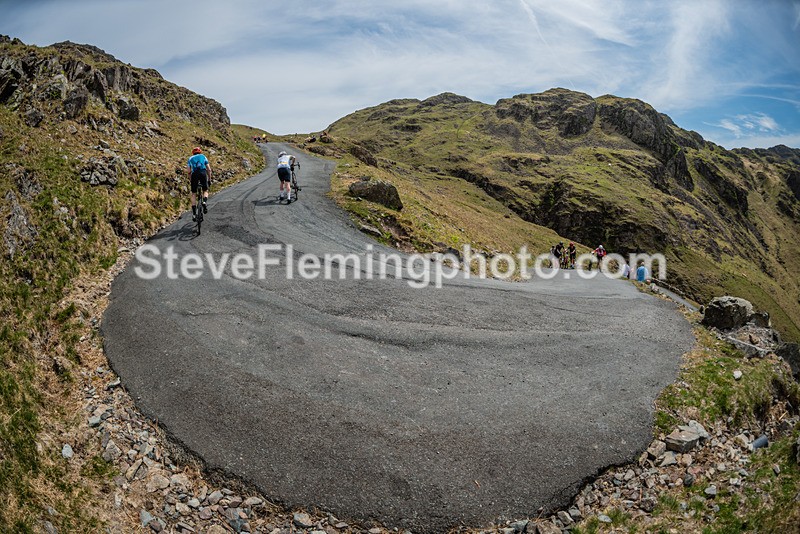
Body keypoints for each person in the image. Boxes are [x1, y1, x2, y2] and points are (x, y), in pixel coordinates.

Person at [187, 147, 212, 222]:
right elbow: (209, 169)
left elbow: (189, 171)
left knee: (194, 193)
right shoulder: (203, 156)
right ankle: (204, 202)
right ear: (200, 152)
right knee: (205, 190)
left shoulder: (190, 158)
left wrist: (191, 180)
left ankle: (194, 214)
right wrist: (209, 180)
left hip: (194, 174)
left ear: (193, 153)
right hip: (203, 173)